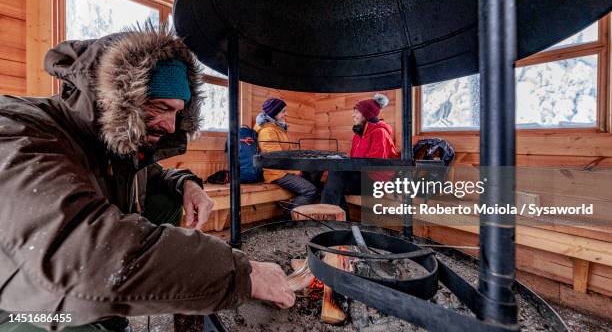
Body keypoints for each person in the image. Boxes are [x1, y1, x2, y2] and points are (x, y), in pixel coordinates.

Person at [0, 24, 294, 331]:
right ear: (117, 98)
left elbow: (153, 174)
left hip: (72, 284)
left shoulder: (116, 148)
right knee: (75, 324)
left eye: (177, 113)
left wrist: (187, 184)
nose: (170, 125)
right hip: (19, 307)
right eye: (160, 107)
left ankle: (115, 314)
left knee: (164, 197)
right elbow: (75, 254)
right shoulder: (17, 129)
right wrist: (241, 273)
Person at [321, 94, 400, 212]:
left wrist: (345, 164)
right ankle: (340, 223)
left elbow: (374, 166)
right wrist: (342, 160)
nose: (353, 115)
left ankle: (330, 220)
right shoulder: (358, 134)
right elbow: (354, 159)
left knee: (334, 183)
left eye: (356, 112)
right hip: (362, 176)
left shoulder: (380, 133)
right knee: (334, 183)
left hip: (377, 182)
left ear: (366, 115)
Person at [254, 98, 321, 210]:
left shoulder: (277, 127)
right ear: (274, 113)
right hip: (275, 173)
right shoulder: (267, 131)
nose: (286, 114)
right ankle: (288, 216)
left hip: (284, 169)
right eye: (283, 111)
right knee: (311, 191)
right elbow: (275, 160)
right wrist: (296, 171)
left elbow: (285, 152)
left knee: (316, 170)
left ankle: (307, 208)